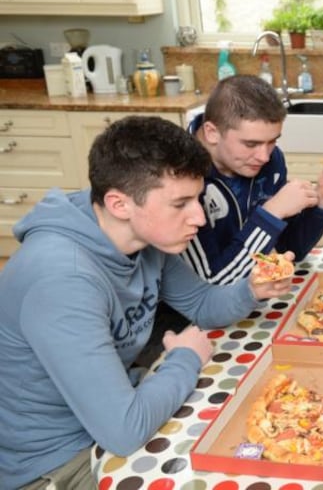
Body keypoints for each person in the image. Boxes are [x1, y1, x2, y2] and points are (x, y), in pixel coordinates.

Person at [0, 116, 293, 490]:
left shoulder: (141, 235)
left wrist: (252, 289)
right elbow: (124, 430)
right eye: (181, 204)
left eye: (197, 199)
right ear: (119, 203)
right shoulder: (62, 279)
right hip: (55, 464)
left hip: (113, 412)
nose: (200, 218)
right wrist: (184, 357)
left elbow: (203, 305)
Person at [181, 75, 323, 285]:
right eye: (251, 144)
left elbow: (292, 249)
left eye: (272, 142)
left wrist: (321, 199)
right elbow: (211, 287)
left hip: (250, 297)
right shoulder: (180, 177)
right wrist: (271, 213)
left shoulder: (271, 162)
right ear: (212, 132)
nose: (264, 157)